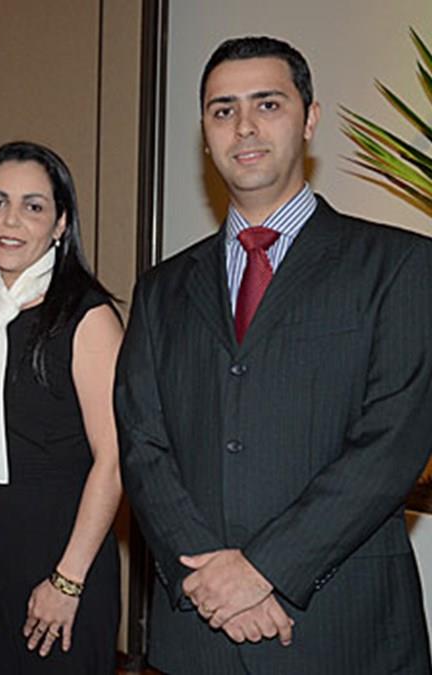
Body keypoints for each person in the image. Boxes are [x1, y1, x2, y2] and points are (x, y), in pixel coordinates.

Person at [116, 35, 432, 674]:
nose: (244, 127)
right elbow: (142, 443)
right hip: (199, 628)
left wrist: (263, 571)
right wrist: (209, 577)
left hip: (342, 629)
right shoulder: (161, 289)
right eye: (223, 110)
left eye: (267, 104)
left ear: (309, 119)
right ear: (206, 134)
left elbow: (393, 443)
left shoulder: (398, 266)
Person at [0, 142, 123, 673]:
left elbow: (114, 460)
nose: (10, 220)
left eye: (33, 206)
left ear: (60, 224)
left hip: (60, 560)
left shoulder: (87, 318)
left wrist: (67, 580)